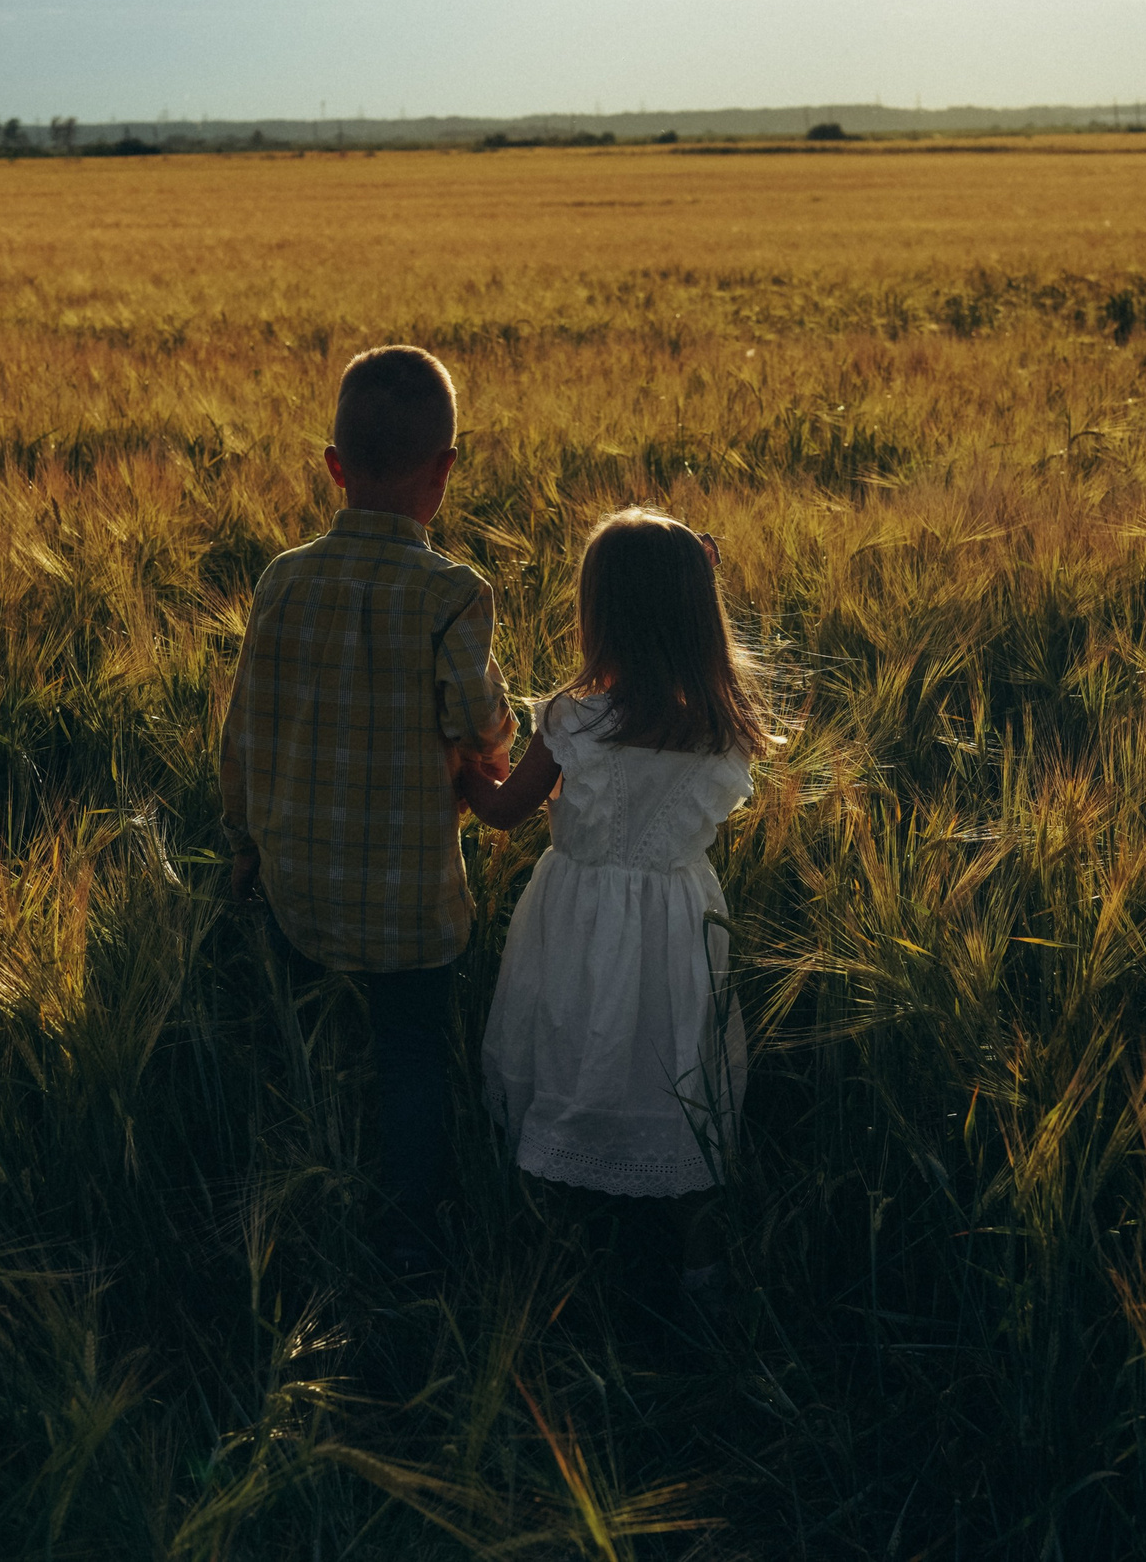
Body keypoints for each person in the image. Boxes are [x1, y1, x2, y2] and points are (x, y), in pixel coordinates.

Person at [219, 344, 516, 1276]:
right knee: (412, 1057)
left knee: (297, 1036)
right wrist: (499, 750)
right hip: (409, 908)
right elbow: (480, 728)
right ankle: (410, 1233)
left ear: (334, 467)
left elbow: (243, 730)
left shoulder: (281, 579)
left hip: (296, 890)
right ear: (445, 471)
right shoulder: (453, 593)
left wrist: (244, 842)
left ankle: (284, 1182)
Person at [457, 508, 776, 1313]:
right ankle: (701, 1268)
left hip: (575, 919)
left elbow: (504, 812)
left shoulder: (572, 719)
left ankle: (550, 1252)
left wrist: (463, 768)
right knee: (676, 1070)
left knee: (568, 1049)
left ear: (599, 614)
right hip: (679, 925)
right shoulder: (723, 728)